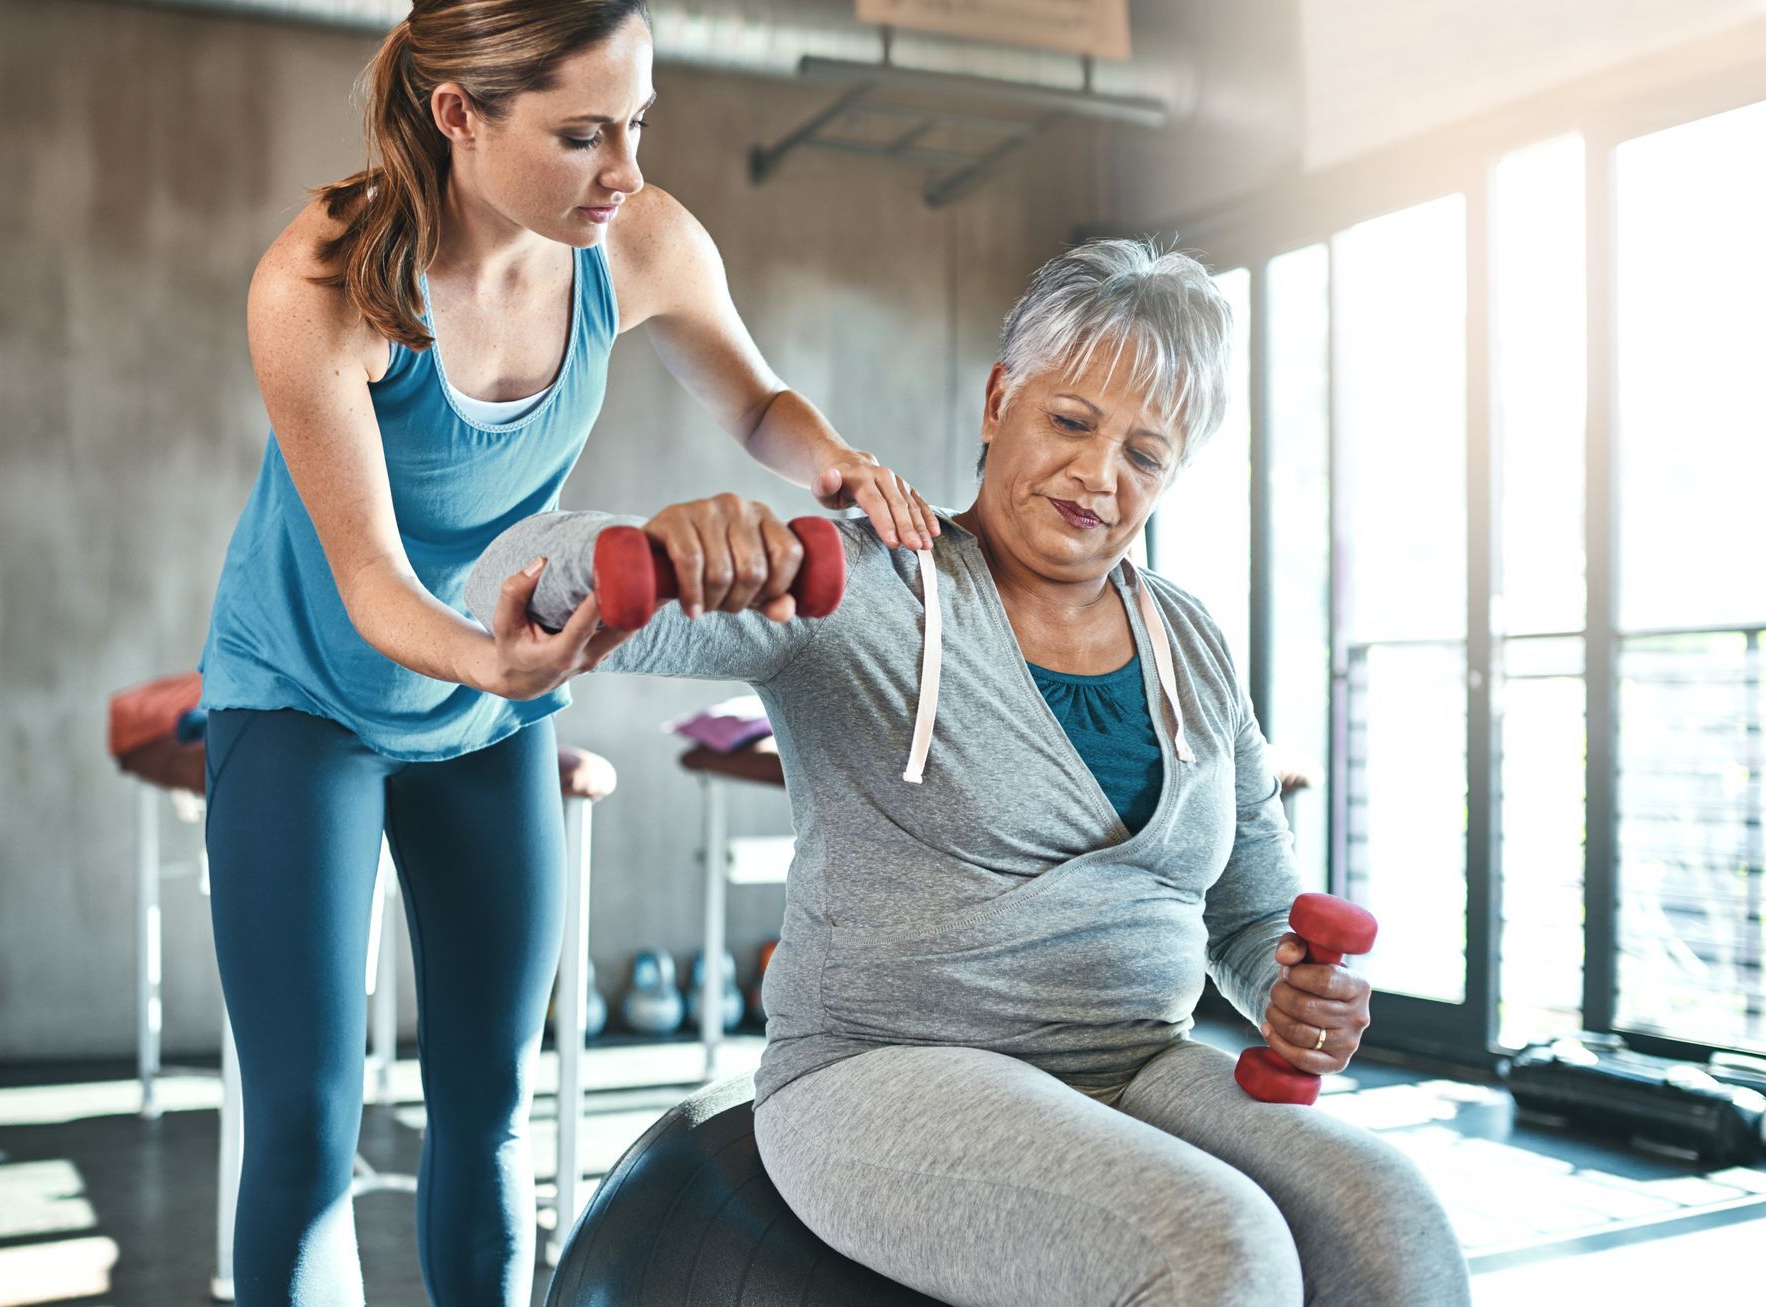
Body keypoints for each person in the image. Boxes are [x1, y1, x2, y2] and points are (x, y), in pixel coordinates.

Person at [468, 239, 1473, 1306]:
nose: (1099, 475)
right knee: (1219, 1250)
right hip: (884, 1069)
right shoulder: (866, 585)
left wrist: (1295, 991)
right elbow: (510, 574)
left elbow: (1252, 915)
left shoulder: (1193, 641)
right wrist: (657, 550)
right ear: (1001, 400)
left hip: (1133, 1060)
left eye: (1145, 450)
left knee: (1393, 1221)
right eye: (1073, 422)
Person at [195, 3, 939, 1303]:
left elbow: (755, 398)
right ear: (459, 117)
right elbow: (372, 578)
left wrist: (833, 461)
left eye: (638, 126)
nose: (628, 172)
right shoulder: (321, 285)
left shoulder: (637, 240)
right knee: (308, 1130)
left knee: (485, 1104)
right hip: (308, 695)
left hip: (486, 711)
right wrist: (500, 667)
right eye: (584, 134)